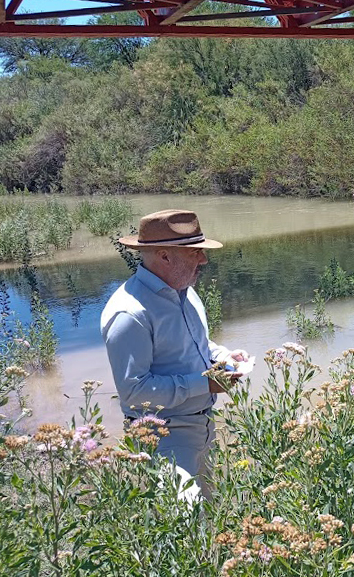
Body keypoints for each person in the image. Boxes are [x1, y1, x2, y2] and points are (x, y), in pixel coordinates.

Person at [101, 209, 247, 492]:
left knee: (211, 519)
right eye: (195, 252)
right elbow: (134, 391)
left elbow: (194, 345)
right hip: (163, 436)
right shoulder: (129, 313)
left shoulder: (185, 291)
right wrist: (204, 384)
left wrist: (222, 356)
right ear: (165, 256)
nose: (203, 259)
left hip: (202, 426)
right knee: (187, 527)